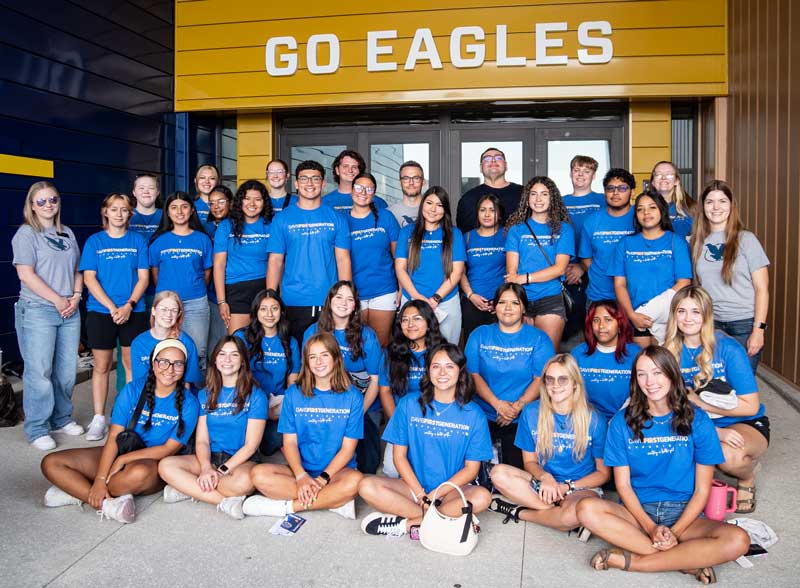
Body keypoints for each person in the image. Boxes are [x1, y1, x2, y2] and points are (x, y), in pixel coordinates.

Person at [576, 346, 749, 584]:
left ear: (671, 375)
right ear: (635, 380)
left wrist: (675, 532)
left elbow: (702, 490)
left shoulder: (698, 419)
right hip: (637, 513)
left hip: (685, 515)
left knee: (738, 540)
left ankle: (632, 561)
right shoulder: (620, 422)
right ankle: (686, 561)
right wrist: (650, 528)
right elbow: (623, 486)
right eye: (642, 374)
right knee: (586, 509)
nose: (650, 381)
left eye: (657, 372)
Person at [40, 339, 200, 523]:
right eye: (163, 361)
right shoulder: (133, 389)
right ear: (153, 363)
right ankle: (105, 502)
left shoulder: (190, 403)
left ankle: (77, 490)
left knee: (137, 473)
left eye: (178, 364)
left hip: (152, 462)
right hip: (124, 448)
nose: (170, 369)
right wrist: (100, 478)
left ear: (184, 368)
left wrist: (123, 460)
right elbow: (115, 436)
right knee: (51, 462)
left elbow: (168, 450)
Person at [358, 343, 492, 538]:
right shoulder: (408, 404)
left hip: (451, 491)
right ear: (428, 371)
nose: (442, 372)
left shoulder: (474, 414)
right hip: (413, 488)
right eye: (436, 366)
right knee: (366, 486)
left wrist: (435, 495)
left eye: (449, 366)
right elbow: (399, 457)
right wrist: (421, 495)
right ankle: (444, 521)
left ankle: (407, 524)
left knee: (482, 497)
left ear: (460, 372)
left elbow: (471, 470)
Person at [664, 286, 768, 514]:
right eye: (681, 311)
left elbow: (749, 405)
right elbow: (664, 406)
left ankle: (747, 478)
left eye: (696, 312)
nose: (688, 318)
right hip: (693, 423)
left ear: (707, 315)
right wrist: (714, 432)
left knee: (729, 457)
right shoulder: (669, 352)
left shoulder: (729, 348)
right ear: (674, 315)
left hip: (743, 421)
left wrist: (702, 403)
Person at [242, 333, 364, 520]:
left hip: (337, 472)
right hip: (301, 469)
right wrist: (301, 476)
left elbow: (348, 449)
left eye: (324, 355)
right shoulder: (293, 394)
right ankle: (333, 501)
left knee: (356, 482)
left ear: (336, 358)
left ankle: (288, 507)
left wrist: (322, 479)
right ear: (306, 362)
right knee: (258, 474)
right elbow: (289, 443)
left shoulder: (353, 396)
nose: (318, 362)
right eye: (312, 357)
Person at [489, 354, 610, 532]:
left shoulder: (595, 419)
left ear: (575, 383)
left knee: (575, 512)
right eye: (550, 379)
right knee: (498, 473)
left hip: (579, 487)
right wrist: (546, 478)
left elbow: (603, 474)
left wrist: (568, 486)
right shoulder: (531, 412)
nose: (555, 385)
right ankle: (558, 516)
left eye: (563, 380)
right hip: (544, 484)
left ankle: (519, 512)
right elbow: (529, 462)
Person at [158, 336, 266, 519]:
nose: (227, 360)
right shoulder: (205, 394)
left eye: (234, 355)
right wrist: (207, 467)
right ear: (215, 360)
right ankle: (224, 502)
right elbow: (202, 440)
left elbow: (251, 446)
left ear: (242, 361)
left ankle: (191, 489)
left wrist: (221, 471)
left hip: (239, 461)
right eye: (222, 354)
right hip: (211, 456)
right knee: (166, 466)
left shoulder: (256, 395)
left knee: (245, 482)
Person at [12, 181, 84, 450]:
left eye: (52, 200)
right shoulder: (26, 233)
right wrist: (57, 299)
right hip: (38, 309)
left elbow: (78, 268)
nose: (48, 205)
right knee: (39, 371)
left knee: (66, 371)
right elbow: (25, 274)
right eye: (41, 201)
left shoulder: (67, 233)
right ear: (32, 205)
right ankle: (37, 427)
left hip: (69, 309)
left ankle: (61, 418)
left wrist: (75, 296)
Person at [79, 193, 150, 442]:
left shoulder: (138, 241)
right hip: (101, 312)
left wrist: (128, 305)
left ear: (129, 214)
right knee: (102, 366)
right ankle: (99, 418)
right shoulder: (94, 242)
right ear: (105, 213)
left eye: (124, 210)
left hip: (134, 310)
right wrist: (112, 307)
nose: (119, 214)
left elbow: (144, 277)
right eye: (114, 209)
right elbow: (89, 278)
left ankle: (128, 416)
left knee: (132, 365)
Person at [465, 283, 555, 468]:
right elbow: (472, 374)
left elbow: (541, 379)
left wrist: (516, 407)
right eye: (502, 302)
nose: (507, 308)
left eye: (514, 303)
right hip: (482, 414)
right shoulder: (479, 334)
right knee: (477, 472)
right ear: (494, 306)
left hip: (522, 417)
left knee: (516, 473)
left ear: (523, 308)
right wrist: (498, 405)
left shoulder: (539, 338)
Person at [266, 160, 352, 344]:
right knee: (297, 357)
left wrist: (346, 297)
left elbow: (343, 259)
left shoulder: (337, 218)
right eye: (304, 179)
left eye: (315, 179)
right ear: (296, 184)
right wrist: (270, 297)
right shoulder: (282, 219)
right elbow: (275, 261)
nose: (310, 183)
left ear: (323, 183)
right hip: (292, 301)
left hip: (329, 301)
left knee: (328, 354)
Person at [303, 282, 382, 474]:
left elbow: (375, 381)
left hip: (362, 403)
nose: (343, 303)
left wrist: (356, 414)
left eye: (349, 299)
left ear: (355, 305)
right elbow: (307, 375)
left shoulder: (367, 336)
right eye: (338, 297)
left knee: (368, 464)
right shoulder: (313, 332)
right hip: (324, 403)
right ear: (329, 301)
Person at [691, 180, 769, 373]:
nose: (716, 207)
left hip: (744, 325)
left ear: (731, 205)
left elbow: (762, 289)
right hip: (711, 323)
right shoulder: (697, 243)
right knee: (713, 382)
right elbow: (698, 287)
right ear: (703, 207)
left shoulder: (746, 240)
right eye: (710, 202)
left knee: (740, 385)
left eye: (722, 201)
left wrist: (758, 330)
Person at [611, 191, 692, 347]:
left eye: (652, 208)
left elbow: (684, 282)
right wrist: (631, 315)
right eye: (640, 209)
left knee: (668, 366)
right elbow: (619, 284)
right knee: (643, 364)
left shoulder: (676, 242)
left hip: (669, 317)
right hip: (635, 316)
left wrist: (652, 311)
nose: (646, 213)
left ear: (662, 211)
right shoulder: (625, 243)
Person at [505, 176, 575, 351]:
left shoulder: (564, 229)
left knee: (547, 355)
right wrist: (519, 304)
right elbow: (511, 273)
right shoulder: (517, 230)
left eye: (544, 194)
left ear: (552, 199)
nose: (538, 199)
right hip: (522, 299)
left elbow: (559, 268)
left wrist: (525, 278)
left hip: (551, 298)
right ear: (527, 200)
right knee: (523, 354)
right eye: (533, 194)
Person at [378, 300, 444, 477]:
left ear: (429, 322)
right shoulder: (391, 352)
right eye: (405, 320)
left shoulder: (442, 351)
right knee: (392, 471)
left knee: (433, 470)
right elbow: (385, 391)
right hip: (402, 421)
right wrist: (398, 423)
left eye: (416, 319)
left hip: (433, 421)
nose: (410, 324)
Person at [395, 186, 466, 344]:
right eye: (429, 203)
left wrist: (436, 298)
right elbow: (400, 268)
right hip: (412, 300)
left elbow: (456, 272)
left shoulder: (455, 234)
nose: (433, 209)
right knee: (412, 351)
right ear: (422, 206)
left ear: (445, 210)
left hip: (446, 301)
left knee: (447, 350)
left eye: (439, 205)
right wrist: (416, 297)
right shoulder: (407, 232)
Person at [150, 192, 213, 369]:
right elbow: (156, 273)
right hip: (166, 305)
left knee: (198, 353)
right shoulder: (158, 241)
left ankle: (195, 395)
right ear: (167, 212)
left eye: (184, 207)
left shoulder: (203, 240)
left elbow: (207, 272)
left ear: (192, 210)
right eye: (174, 207)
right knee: (164, 351)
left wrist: (193, 288)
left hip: (196, 303)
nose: (179, 211)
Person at [236, 289, 300, 457]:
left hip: (277, 406)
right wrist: (263, 410)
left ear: (282, 312)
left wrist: (283, 409)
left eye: (274, 308)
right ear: (256, 312)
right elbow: (234, 379)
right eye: (263, 309)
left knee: (276, 437)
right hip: (247, 404)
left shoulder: (290, 342)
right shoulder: (242, 337)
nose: (269, 314)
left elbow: (292, 384)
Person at [346, 172, 401, 347]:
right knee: (354, 343)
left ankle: (379, 375)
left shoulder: (386, 217)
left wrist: (401, 289)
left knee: (380, 344)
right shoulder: (342, 221)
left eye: (369, 188)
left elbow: (398, 257)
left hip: (384, 290)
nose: (363, 192)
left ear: (374, 193)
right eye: (359, 187)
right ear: (351, 190)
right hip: (354, 293)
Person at [214, 179, 273, 335]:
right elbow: (219, 265)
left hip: (263, 288)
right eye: (247, 198)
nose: (252, 203)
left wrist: (274, 294)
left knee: (262, 340)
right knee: (238, 342)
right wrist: (222, 301)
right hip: (235, 289)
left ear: (264, 202)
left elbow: (278, 262)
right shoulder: (226, 226)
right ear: (240, 201)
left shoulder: (271, 225)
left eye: (258, 199)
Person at [571, 300, 640, 422]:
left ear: (619, 324)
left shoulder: (635, 354)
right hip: (587, 420)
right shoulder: (578, 353)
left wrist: (618, 421)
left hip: (626, 419)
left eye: (608, 320)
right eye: (596, 320)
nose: (601, 326)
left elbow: (640, 394)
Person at [562, 155, 606, 339]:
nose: (581, 175)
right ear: (570, 173)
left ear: (594, 175)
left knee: (596, 325)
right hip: (567, 272)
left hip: (597, 271)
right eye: (577, 170)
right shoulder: (560, 202)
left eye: (586, 171)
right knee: (570, 329)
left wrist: (583, 266)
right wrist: (563, 268)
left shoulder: (603, 201)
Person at [578, 169, 637, 305]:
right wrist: (601, 274)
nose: (615, 193)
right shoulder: (592, 221)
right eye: (610, 188)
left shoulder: (640, 217)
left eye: (622, 188)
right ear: (605, 192)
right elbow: (586, 258)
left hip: (633, 297)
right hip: (599, 296)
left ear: (632, 192)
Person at [130, 290, 203, 387]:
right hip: (149, 394)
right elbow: (139, 382)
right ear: (154, 311)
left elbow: (186, 384)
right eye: (164, 309)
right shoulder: (139, 343)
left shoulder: (186, 342)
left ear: (178, 314)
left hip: (178, 395)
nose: (168, 314)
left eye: (174, 310)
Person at [459, 194, 506, 339]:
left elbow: (515, 269)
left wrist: (500, 299)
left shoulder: (507, 235)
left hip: (501, 303)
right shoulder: (466, 237)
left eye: (492, 210)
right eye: (482, 210)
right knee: (473, 346)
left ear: (499, 214)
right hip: (472, 301)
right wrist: (471, 295)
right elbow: (460, 272)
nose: (487, 214)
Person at [456, 147, 523, 232]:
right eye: (487, 159)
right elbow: (464, 237)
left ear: (506, 166)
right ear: (481, 167)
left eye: (498, 158)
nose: (493, 161)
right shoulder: (468, 199)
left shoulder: (524, 194)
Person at [205, 185, 233, 351]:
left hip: (235, 288)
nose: (216, 206)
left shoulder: (239, 225)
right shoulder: (204, 228)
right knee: (215, 343)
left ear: (230, 202)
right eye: (212, 203)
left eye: (221, 201)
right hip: (212, 294)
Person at [322, 150, 388, 212]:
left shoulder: (377, 202)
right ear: (337, 170)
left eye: (354, 167)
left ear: (360, 171)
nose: (350, 170)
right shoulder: (324, 202)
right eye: (345, 166)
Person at [649, 161, 695, 238]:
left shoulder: (690, 208)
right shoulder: (642, 208)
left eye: (669, 174)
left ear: (676, 181)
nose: (663, 178)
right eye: (658, 174)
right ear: (653, 182)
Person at [388, 160, 425, 228]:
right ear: (400, 182)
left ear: (423, 182)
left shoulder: (434, 212)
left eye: (416, 178)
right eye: (406, 178)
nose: (411, 182)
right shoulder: (389, 213)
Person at [129, 173, 163, 238]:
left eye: (151, 188)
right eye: (141, 188)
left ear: (158, 192)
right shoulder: (126, 215)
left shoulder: (166, 215)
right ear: (134, 192)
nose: (146, 191)